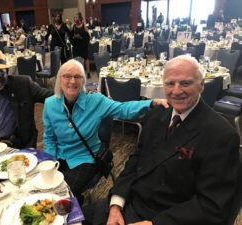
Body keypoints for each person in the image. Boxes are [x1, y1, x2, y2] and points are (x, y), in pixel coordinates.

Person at [83, 55, 240, 225]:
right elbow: (135, 162)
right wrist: (116, 204)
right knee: (69, 218)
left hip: (168, 217)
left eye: (185, 83)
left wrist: (154, 224)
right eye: (170, 83)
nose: (176, 91)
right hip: (129, 203)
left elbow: (212, 205)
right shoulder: (156, 115)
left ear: (201, 85)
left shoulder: (221, 135)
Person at [43, 59, 168, 204]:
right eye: (67, 76)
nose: (72, 81)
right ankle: (76, 199)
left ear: (83, 80)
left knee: (61, 192)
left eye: (77, 76)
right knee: (45, 187)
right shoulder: (50, 104)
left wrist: (151, 103)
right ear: (59, 79)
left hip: (86, 157)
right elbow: (49, 138)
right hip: (61, 155)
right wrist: (50, 163)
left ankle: (74, 204)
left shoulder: (95, 101)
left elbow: (123, 109)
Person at [71, 12, 91, 78]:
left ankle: (88, 72)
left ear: (79, 18)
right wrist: (74, 37)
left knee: (86, 58)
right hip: (76, 45)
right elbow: (70, 36)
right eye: (74, 17)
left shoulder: (84, 26)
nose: (75, 18)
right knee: (76, 59)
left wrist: (81, 37)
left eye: (76, 17)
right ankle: (77, 72)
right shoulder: (73, 26)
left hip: (83, 44)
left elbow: (88, 36)